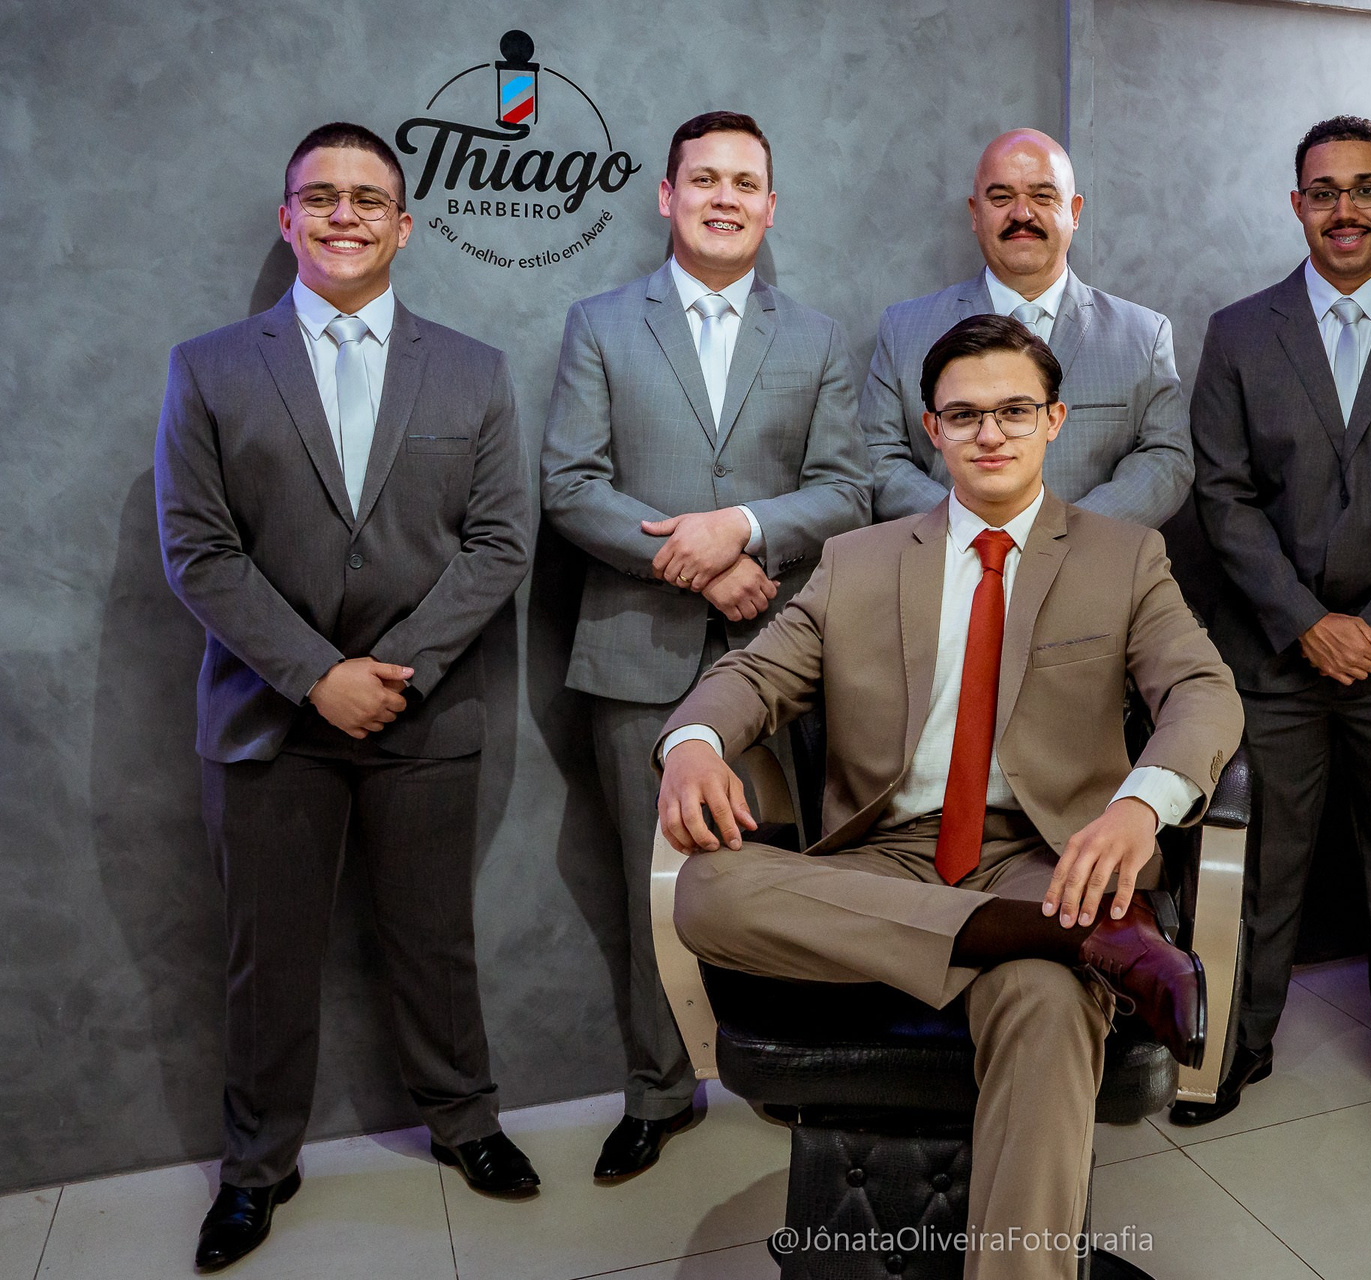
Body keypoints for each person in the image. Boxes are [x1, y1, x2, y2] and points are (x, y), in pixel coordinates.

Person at [657, 314, 1242, 1279]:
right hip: (881, 861)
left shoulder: (1123, 556)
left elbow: (1202, 692)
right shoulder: (859, 558)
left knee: (1047, 1002)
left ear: (1054, 420)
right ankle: (1068, 937)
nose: (990, 433)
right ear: (932, 430)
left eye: (1015, 410)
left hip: (1043, 859)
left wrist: (1139, 807)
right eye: (964, 415)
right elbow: (753, 677)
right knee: (707, 890)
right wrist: (693, 745)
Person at [155, 122, 539, 1271]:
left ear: (404, 225)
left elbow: (501, 539)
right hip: (268, 717)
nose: (343, 214)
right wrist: (318, 675)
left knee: (435, 940)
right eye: (318, 196)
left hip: (427, 710)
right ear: (288, 220)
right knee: (265, 957)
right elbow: (199, 549)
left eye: (368, 198)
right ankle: (256, 1165)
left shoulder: (473, 368)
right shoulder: (210, 367)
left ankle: (465, 1120)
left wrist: (397, 670)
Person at [541, 110, 869, 1181]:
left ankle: (802, 1068)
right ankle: (658, 1089)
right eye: (704, 179)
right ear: (667, 196)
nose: (724, 197)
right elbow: (570, 486)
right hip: (636, 646)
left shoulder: (816, 336)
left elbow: (848, 487)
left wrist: (745, 528)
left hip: (790, 649)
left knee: (803, 869)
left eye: (744, 183)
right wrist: (699, 562)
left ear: (771, 207)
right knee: (654, 880)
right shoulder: (601, 325)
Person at [1181, 117, 1371, 1153]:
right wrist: (1307, 623)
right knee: (1260, 860)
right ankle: (1239, 1041)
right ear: (1297, 205)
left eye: (1365, 189)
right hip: (1275, 654)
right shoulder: (1238, 331)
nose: (1344, 209)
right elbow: (1222, 498)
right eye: (1324, 191)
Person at [861, 128, 1190, 527]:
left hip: (1091, 559)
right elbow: (878, 456)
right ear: (975, 213)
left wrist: (1069, 535)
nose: (1021, 214)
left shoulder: (1143, 336)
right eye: (1001, 198)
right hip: (946, 558)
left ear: (1075, 211)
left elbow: (1166, 459)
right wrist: (970, 527)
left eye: (1043, 196)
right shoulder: (903, 330)